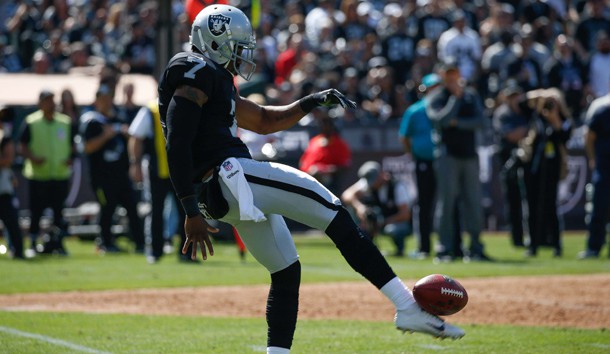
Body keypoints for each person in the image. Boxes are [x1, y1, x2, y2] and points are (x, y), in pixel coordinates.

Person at [158, 5, 464, 353]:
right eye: (237, 43)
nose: (243, 51)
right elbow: (177, 142)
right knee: (332, 209)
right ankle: (407, 306)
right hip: (229, 176)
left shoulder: (215, 81)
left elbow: (263, 120)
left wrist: (309, 102)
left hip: (225, 191)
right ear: (214, 41)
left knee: (286, 269)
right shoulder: (193, 69)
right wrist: (188, 210)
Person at [426, 61, 491, 262]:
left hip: (469, 156)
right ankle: (443, 249)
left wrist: (457, 123)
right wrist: (455, 100)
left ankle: (476, 248)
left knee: (473, 203)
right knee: (446, 204)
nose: (453, 78)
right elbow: (439, 120)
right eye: (448, 74)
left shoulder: (471, 95)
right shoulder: (436, 96)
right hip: (448, 156)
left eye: (455, 74)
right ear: (442, 76)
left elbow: (481, 121)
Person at [80, 84, 145, 254]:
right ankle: (105, 243)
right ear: (97, 101)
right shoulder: (92, 122)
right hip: (101, 176)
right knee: (107, 209)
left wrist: (126, 135)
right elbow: (87, 148)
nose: (107, 102)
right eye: (103, 99)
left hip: (121, 175)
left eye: (109, 98)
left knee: (132, 207)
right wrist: (105, 136)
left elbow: (132, 141)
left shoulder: (119, 119)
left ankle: (140, 243)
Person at [128, 100, 192, 264]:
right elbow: (136, 137)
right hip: (157, 170)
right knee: (156, 211)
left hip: (181, 170)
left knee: (187, 212)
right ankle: (155, 251)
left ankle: (187, 252)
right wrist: (135, 163)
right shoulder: (150, 110)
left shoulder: (185, 106)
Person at [19, 89, 73, 256]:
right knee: (36, 212)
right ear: (40, 103)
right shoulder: (31, 122)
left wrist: (70, 158)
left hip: (59, 174)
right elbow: (22, 146)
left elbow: (72, 144)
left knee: (59, 213)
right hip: (39, 175)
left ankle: (58, 244)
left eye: (52, 100)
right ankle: (33, 243)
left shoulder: (64, 122)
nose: (50, 104)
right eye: (47, 100)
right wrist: (33, 158)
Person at [519, 89, 572, 257]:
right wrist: (542, 95)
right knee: (532, 208)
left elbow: (564, 137)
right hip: (534, 169)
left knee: (551, 207)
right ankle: (533, 245)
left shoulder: (563, 120)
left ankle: (556, 245)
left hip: (552, 170)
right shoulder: (536, 117)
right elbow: (522, 101)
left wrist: (555, 118)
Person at [398, 73, 442, 259]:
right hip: (423, 161)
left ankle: (449, 246)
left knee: (448, 204)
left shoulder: (444, 108)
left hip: (444, 161)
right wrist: (414, 153)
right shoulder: (415, 111)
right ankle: (424, 247)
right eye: (432, 88)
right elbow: (404, 137)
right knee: (424, 204)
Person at [341, 161, 412, 257]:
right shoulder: (368, 183)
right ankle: (367, 246)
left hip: (396, 222)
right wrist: (360, 207)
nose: (373, 184)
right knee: (354, 210)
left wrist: (384, 222)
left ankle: (400, 249)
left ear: (382, 174)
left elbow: (405, 214)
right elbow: (346, 195)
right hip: (378, 219)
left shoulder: (397, 186)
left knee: (392, 230)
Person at [492, 81, 529, 247]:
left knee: (530, 199)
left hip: (526, 158)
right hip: (508, 158)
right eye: (512, 96)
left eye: (517, 95)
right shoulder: (503, 113)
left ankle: (535, 236)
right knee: (513, 199)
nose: (515, 99)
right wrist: (528, 131)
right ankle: (517, 239)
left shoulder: (525, 112)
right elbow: (510, 135)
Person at [579, 89, 610, 259]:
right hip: (604, 167)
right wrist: (593, 159)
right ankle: (594, 247)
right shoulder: (602, 110)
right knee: (599, 208)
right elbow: (589, 136)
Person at [299, 115, 352, 195]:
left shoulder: (340, 144)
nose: (324, 127)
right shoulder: (314, 141)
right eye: (322, 124)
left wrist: (325, 170)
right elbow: (303, 161)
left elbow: (345, 166)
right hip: (307, 178)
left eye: (327, 124)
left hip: (327, 181)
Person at [0, 104, 24, 259]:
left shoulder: (5, 137)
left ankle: (17, 250)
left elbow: (8, 159)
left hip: (2, 185)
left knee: (11, 220)